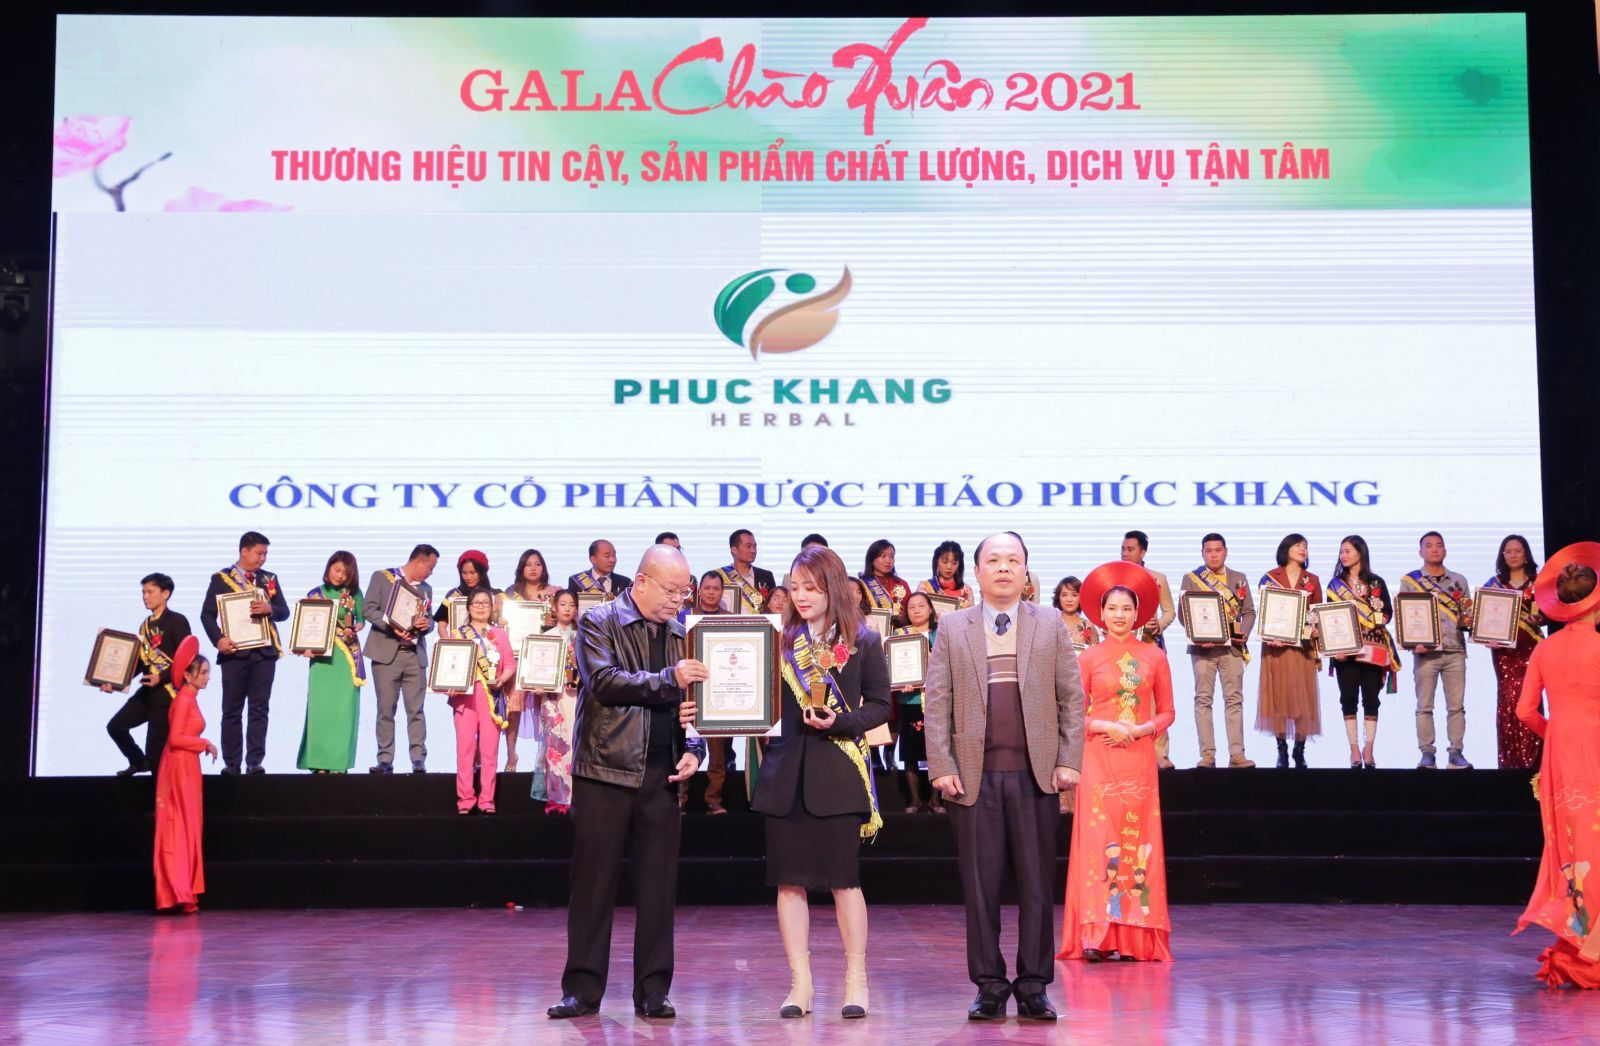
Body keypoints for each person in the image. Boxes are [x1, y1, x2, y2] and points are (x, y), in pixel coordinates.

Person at [701, 544, 890, 1019]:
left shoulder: (864, 641)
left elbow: (880, 707)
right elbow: (753, 699)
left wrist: (840, 722)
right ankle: (800, 985)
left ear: (833, 588)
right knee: (789, 885)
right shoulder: (777, 643)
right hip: (785, 775)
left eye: (811, 587)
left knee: (845, 882)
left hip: (839, 773)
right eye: (795, 587)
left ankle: (856, 981)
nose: (801, 596)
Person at [924, 532, 1086, 1022]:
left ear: (1025, 572)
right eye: (993, 560)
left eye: (1012, 560)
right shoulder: (953, 627)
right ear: (976, 572)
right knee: (981, 889)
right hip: (974, 780)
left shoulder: (1049, 622)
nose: (1003, 568)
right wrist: (942, 766)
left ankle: (1034, 985)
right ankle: (990, 986)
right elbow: (937, 703)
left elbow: (1071, 698)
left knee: (1036, 886)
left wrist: (1069, 759)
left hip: (1036, 777)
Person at [548, 545, 706, 1021]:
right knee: (593, 885)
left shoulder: (684, 633)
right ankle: (582, 989)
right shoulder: (599, 621)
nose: (677, 600)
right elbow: (606, 681)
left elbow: (697, 707)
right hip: (606, 771)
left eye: (683, 592)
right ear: (640, 582)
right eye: (671, 590)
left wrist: (695, 749)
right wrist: (670, 678)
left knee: (659, 888)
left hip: (663, 774)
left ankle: (654, 990)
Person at [1059, 562, 1174, 962]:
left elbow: (1168, 712)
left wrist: (1142, 729)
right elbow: (1073, 713)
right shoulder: (1088, 657)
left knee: (1135, 843)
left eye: (1127, 608)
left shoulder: (1154, 656)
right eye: (1112, 608)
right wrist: (1104, 724)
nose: (1119, 615)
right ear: (1101, 613)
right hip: (1099, 758)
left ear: (1138, 613)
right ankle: (1097, 935)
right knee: (1099, 843)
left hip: (1138, 759)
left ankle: (1134, 938)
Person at [1513, 544, 1600, 989]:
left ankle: (1579, 942)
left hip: (1560, 753)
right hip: (1595, 746)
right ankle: (1591, 950)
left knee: (1571, 847)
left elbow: (1525, 711)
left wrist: (1557, 731)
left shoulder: (1545, 649)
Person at [200, 531, 290, 775]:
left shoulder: (269, 579)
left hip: (264, 654)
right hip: (234, 653)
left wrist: (270, 609)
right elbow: (207, 614)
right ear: (244, 551)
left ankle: (254, 762)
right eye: (259, 553)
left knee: (259, 709)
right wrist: (218, 639)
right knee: (232, 710)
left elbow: (284, 611)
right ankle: (232, 763)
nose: (263, 558)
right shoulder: (221, 578)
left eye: (265, 554)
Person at [1179, 534, 1257, 768]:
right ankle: (1207, 755)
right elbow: (1184, 613)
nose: (1213, 555)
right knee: (1203, 700)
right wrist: (1197, 634)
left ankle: (1237, 754)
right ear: (1202, 553)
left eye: (1218, 550)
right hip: (1202, 649)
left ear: (1226, 551)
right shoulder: (1191, 578)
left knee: (1234, 700)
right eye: (1209, 551)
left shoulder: (1238, 578)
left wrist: (1244, 632)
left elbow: (1249, 611)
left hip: (1232, 648)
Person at [154, 636, 218, 913]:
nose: (207, 677)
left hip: (187, 765)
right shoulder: (183, 700)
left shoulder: (190, 699)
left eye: (207, 672)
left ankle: (184, 891)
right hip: (179, 766)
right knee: (179, 825)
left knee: (188, 825)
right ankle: (177, 890)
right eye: (202, 673)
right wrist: (204, 743)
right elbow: (176, 738)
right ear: (188, 676)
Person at [105, 573, 191, 777]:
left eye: (150, 592)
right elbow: (140, 662)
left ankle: (159, 796)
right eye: (143, 592)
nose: (145, 597)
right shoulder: (145, 625)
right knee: (116, 727)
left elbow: (187, 659)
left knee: (156, 751)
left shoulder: (177, 621)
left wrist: (161, 678)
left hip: (168, 694)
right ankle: (138, 761)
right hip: (147, 692)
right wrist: (115, 683)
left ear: (165, 594)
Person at [1402, 532, 1475, 770]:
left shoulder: (1459, 581)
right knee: (1424, 706)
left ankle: (1456, 753)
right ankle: (1427, 754)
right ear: (1420, 552)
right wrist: (1413, 642)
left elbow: (1467, 616)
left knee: (1456, 707)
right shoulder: (1410, 581)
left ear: (1445, 550)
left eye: (1439, 545)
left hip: (1455, 650)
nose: (1434, 549)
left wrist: (1470, 620)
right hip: (1426, 653)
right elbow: (1406, 617)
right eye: (1429, 545)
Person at [364, 545, 438, 775]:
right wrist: (391, 625)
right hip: (387, 655)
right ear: (419, 561)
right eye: (430, 567)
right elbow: (368, 609)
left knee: (416, 711)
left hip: (414, 656)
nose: (431, 573)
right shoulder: (382, 577)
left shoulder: (426, 589)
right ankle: (385, 759)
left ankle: (418, 759)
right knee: (386, 710)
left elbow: (430, 619)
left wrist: (427, 625)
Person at [1326, 535, 1398, 769]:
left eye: (1347, 551)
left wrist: (1379, 617)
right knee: (1348, 699)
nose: (1343, 555)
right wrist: (1335, 647)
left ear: (1360, 552)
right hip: (1345, 651)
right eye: (1341, 552)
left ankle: (1369, 748)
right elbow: (1330, 618)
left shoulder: (1377, 582)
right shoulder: (1335, 585)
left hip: (1374, 648)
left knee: (1371, 700)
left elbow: (1387, 613)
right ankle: (1354, 748)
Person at [295, 551, 366, 774]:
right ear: (328, 568)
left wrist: (355, 627)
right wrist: (304, 646)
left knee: (343, 711)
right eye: (336, 570)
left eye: (345, 573)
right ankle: (318, 762)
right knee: (320, 709)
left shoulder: (354, 594)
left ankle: (338, 763)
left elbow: (361, 620)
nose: (340, 575)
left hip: (345, 658)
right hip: (321, 660)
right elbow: (304, 626)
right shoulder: (314, 594)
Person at [1256, 534, 1322, 769]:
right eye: (1298, 545)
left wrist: (1316, 628)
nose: (1303, 549)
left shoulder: (1312, 579)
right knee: (1278, 698)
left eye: (1306, 546)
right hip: (1276, 649)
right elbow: (1264, 614)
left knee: (1303, 699)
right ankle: (1281, 749)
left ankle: (1299, 750)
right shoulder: (1270, 577)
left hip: (1302, 649)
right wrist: (1269, 634)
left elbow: (1316, 612)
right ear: (1286, 549)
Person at [448, 587, 515, 814]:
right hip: (465, 698)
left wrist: (502, 679)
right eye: (476, 603)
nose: (481, 607)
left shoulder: (499, 635)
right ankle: (465, 800)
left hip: (492, 697)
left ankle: (487, 801)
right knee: (465, 749)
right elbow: (449, 666)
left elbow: (510, 665)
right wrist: (448, 685)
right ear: (468, 607)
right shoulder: (457, 634)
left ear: (492, 608)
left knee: (489, 751)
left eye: (485, 603)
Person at [1485, 534, 1546, 768]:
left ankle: (1536, 763)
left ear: (1526, 554)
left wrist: (1540, 618)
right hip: (1504, 653)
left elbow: (1549, 613)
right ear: (1503, 555)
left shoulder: (1539, 583)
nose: (1513, 555)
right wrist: (1485, 637)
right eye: (1508, 551)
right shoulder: (1494, 584)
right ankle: (1510, 763)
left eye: (1517, 551)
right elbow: (1482, 619)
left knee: (1532, 701)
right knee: (1508, 701)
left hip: (1532, 650)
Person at [1121, 531, 1178, 768]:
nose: (1125, 553)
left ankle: (1160, 753)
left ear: (1143, 552)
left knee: (1156, 701)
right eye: (1123, 549)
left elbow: (1170, 611)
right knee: (1124, 696)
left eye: (1130, 549)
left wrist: (1159, 624)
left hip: (1150, 644)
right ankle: (1127, 753)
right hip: (1122, 646)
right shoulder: (1114, 578)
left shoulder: (1158, 578)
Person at [502, 549, 561, 774]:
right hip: (517, 657)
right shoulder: (511, 594)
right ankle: (511, 755)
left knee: (545, 707)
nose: (533, 568)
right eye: (528, 564)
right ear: (521, 568)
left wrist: (553, 618)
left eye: (537, 564)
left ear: (543, 567)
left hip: (544, 658)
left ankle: (544, 757)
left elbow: (565, 617)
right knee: (513, 707)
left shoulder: (554, 592)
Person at [690, 571, 735, 814]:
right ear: (700, 591)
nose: (711, 592)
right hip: (690, 692)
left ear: (722, 592)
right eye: (707, 588)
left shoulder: (731, 619)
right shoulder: (687, 616)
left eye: (716, 589)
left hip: (720, 694)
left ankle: (714, 799)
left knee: (718, 754)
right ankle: (680, 800)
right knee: (685, 748)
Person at [535, 590, 581, 814]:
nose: (567, 608)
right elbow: (537, 668)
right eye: (563, 604)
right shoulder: (546, 637)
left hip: (576, 697)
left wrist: (580, 681)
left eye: (571, 604)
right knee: (554, 748)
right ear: (554, 607)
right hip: (553, 698)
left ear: (576, 609)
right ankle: (556, 798)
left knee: (575, 745)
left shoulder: (584, 637)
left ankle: (576, 796)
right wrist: (537, 683)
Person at [894, 591, 940, 814]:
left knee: (938, 751)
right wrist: (900, 681)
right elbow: (892, 667)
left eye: (921, 605)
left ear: (930, 609)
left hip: (937, 698)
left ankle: (936, 800)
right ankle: (914, 800)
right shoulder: (900, 634)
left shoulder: (941, 633)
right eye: (911, 607)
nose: (917, 610)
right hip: (910, 699)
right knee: (910, 751)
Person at [436, 549, 499, 631]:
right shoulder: (453, 595)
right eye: (464, 573)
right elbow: (441, 625)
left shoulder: (496, 594)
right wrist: (448, 639)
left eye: (472, 573)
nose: (468, 577)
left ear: (482, 572)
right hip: (459, 639)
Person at [718, 529, 777, 613]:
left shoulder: (766, 576)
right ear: (734, 550)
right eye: (748, 546)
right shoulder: (720, 575)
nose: (753, 551)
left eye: (754, 547)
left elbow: (773, 610)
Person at [858, 539, 911, 619]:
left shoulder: (901, 584)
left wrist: (902, 616)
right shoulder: (862, 584)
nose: (888, 560)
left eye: (892, 556)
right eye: (883, 556)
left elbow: (911, 611)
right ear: (871, 559)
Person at [920, 541, 975, 608]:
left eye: (954, 563)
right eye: (944, 562)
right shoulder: (925, 586)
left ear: (959, 565)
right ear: (937, 561)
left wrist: (968, 603)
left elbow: (972, 613)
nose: (949, 567)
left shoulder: (966, 589)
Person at [1054, 577, 1101, 651]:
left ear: (1081, 597)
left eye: (1074, 595)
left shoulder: (1088, 626)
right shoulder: (1052, 624)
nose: (1069, 599)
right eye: (1064, 595)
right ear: (1058, 598)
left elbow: (1096, 654)